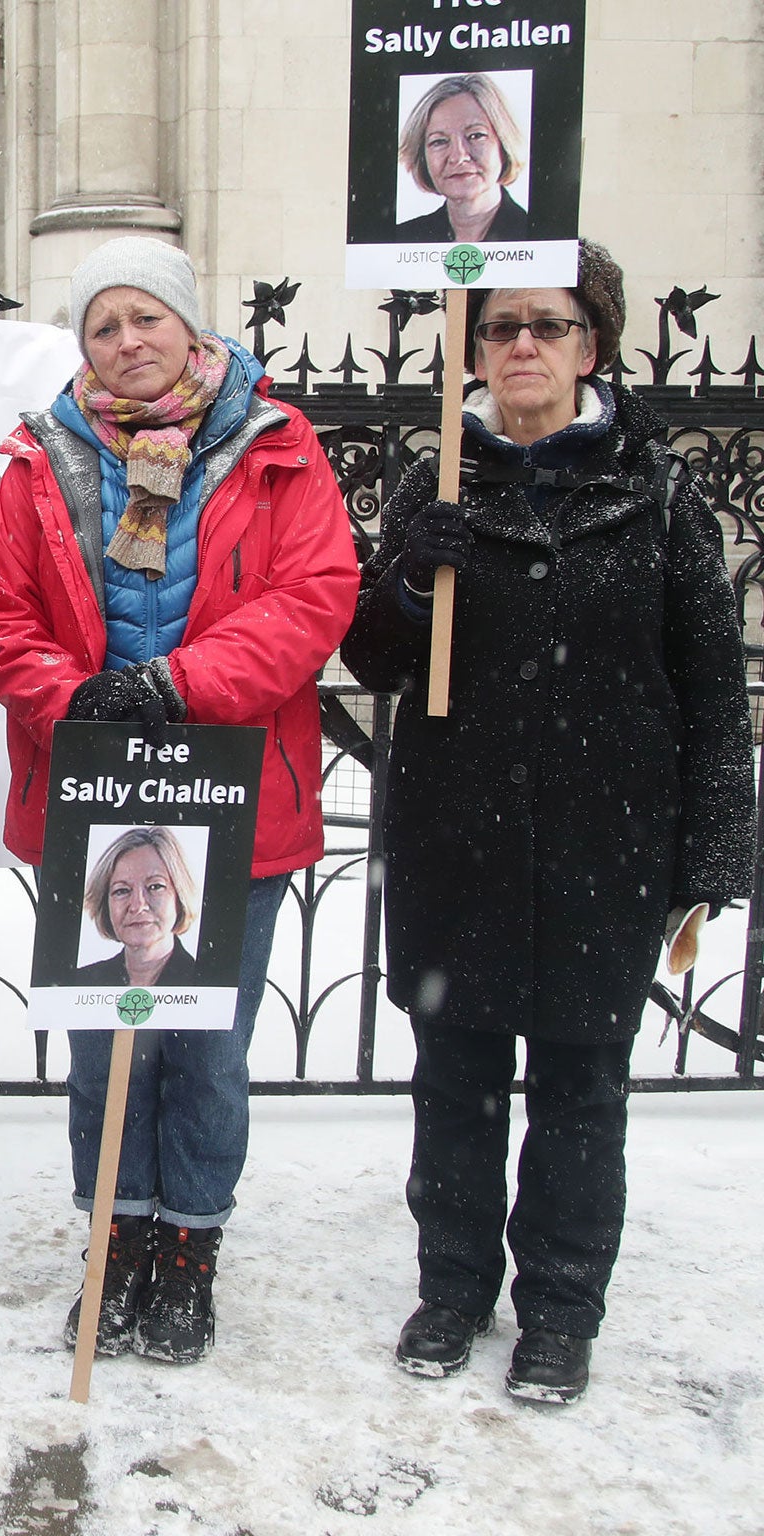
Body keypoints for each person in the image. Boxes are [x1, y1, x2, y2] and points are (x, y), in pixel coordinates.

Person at [341, 240, 752, 1405]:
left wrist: (714, 850)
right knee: (454, 1080)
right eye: (497, 326)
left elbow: (712, 684)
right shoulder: (436, 483)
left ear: (592, 345)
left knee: (580, 1085)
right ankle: (453, 1285)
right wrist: (411, 580)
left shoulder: (656, 490)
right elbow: (372, 657)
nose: (520, 343)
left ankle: (561, 1305)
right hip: (456, 837)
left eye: (548, 324)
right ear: (469, 351)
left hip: (603, 842)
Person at [0, 236, 358, 1365]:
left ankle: (187, 1249)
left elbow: (314, 595)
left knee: (202, 1049)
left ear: (192, 331)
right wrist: (78, 698)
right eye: (101, 325)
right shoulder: (39, 461)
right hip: (93, 795)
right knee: (107, 1049)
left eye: (145, 318)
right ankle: (116, 1240)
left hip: (235, 799)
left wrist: (177, 684)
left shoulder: (277, 450)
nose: (126, 342)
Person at [393, 74, 529, 245]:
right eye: (439, 141)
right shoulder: (400, 240)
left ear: (504, 144)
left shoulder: (538, 235)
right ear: (422, 157)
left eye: (476, 135)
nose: (458, 157)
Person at [74, 828, 202, 988]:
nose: (137, 905)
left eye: (155, 886)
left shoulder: (206, 984)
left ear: (180, 896)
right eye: (122, 890)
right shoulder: (80, 983)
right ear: (105, 904)